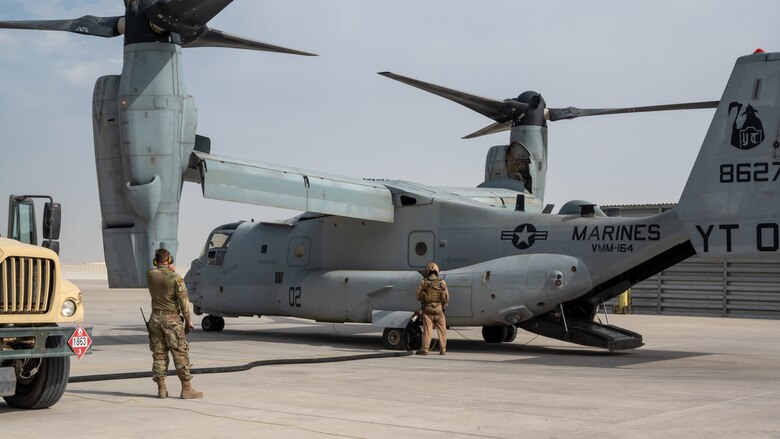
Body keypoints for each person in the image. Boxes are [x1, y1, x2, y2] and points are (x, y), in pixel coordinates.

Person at [146, 248, 203, 399]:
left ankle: (162, 389)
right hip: (171, 320)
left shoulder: (150, 275)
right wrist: (188, 320)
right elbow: (184, 301)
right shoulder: (175, 277)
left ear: (155, 260)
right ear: (169, 260)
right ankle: (186, 389)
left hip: (155, 319)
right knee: (180, 354)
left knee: (159, 355)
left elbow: (159, 274)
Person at [415, 262, 449, 355]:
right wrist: (443, 308)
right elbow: (447, 298)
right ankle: (443, 350)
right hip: (439, 310)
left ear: (427, 271)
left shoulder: (423, 282)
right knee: (442, 331)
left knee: (427, 331)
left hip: (428, 310)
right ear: (437, 271)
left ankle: (425, 349)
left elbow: (417, 296)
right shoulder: (442, 283)